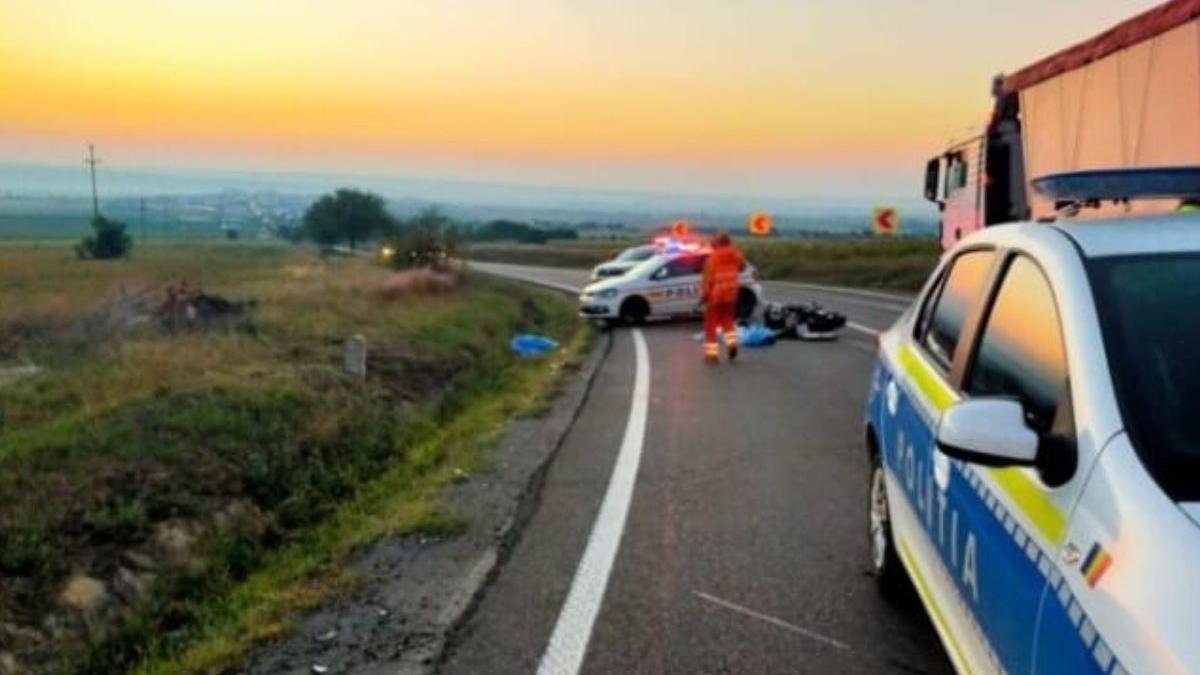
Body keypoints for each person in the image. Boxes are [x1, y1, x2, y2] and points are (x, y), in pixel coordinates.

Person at [700, 231, 744, 363]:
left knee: (710, 325)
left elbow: (708, 280)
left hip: (716, 295)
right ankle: (732, 345)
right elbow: (741, 267)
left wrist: (704, 296)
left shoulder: (713, 258)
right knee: (728, 322)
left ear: (717, 243)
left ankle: (711, 355)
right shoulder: (736, 255)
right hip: (731, 294)